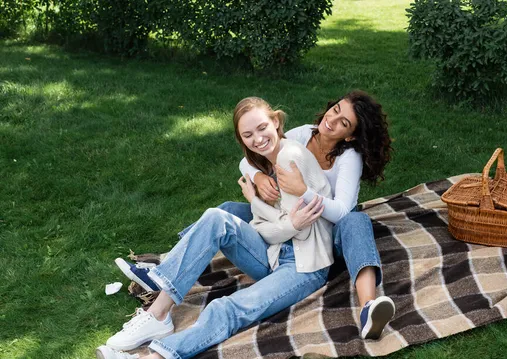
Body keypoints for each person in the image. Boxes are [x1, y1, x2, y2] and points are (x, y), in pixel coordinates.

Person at [97, 97, 334, 359]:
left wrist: (268, 212)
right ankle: (157, 313)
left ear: (276, 121)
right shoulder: (269, 162)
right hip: (275, 253)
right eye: (248, 135)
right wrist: (263, 205)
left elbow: (294, 230)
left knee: (228, 308)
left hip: (304, 267)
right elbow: (271, 227)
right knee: (216, 218)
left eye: (262, 128)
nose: (257, 139)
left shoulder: (289, 159)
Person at [117, 91, 395, 340]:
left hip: (329, 237)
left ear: (350, 135)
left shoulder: (349, 158)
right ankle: (162, 270)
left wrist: (303, 192)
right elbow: (251, 156)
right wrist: (259, 176)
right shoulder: (303, 135)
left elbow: (342, 210)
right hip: (286, 223)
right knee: (226, 211)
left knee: (357, 220)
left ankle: (368, 307)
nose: (332, 120)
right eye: (335, 110)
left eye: (343, 122)